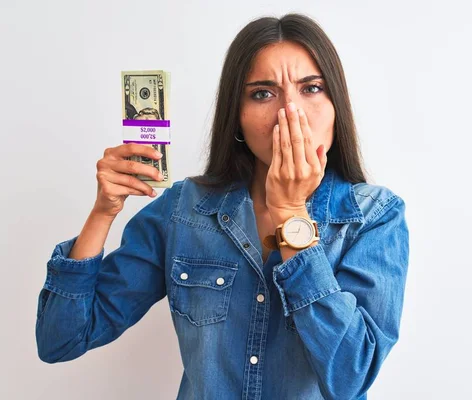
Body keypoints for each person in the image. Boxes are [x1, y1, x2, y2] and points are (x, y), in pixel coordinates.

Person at [35, 13, 410, 400]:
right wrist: (103, 212)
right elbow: (61, 340)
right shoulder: (183, 209)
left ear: (336, 105)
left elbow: (352, 375)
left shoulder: (375, 217)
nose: (290, 113)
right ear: (237, 118)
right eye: (263, 93)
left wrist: (291, 214)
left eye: (311, 88)